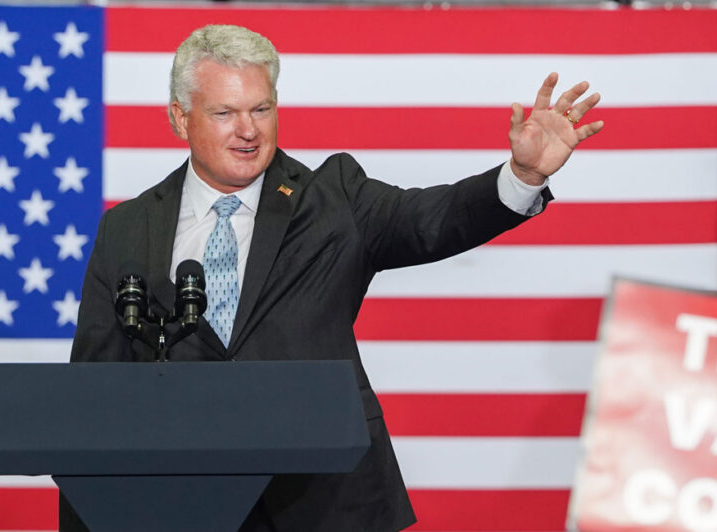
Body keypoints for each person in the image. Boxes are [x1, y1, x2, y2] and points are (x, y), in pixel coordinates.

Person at [63, 24, 603, 531]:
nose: (248, 130)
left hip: (325, 501)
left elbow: (432, 221)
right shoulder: (129, 227)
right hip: (186, 505)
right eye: (225, 112)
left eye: (262, 108)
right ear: (181, 118)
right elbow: (92, 391)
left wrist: (522, 176)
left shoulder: (333, 198)